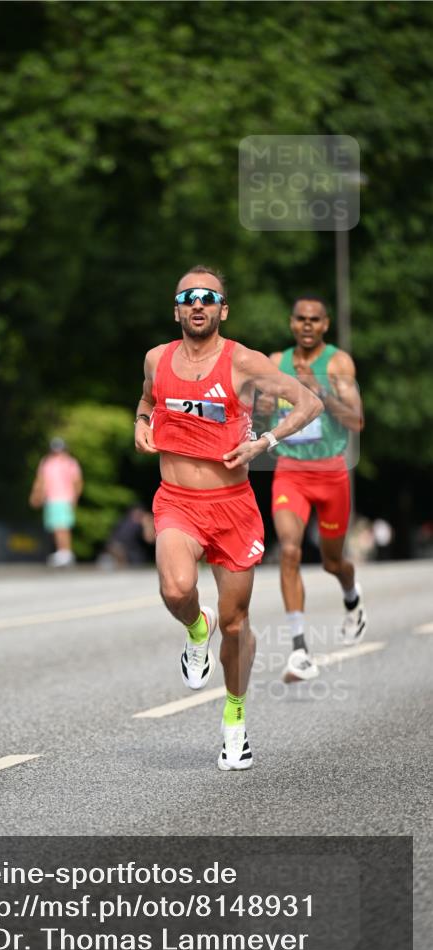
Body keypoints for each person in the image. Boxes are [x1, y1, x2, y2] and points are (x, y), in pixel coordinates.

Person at [135, 265, 322, 770]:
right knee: (175, 589)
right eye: (189, 297)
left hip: (233, 509)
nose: (198, 304)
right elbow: (149, 399)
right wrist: (142, 420)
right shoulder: (157, 360)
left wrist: (265, 441)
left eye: (208, 298)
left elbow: (308, 402)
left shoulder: (244, 362)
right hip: (176, 501)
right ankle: (198, 630)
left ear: (222, 309)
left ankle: (234, 720)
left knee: (237, 625)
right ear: (177, 310)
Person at [255, 295, 366, 683]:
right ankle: (300, 651)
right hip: (291, 472)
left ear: (325, 325)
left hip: (331, 472)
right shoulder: (275, 362)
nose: (306, 325)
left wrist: (321, 393)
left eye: (314, 319)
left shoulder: (337, 363)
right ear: (291, 323)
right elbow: (260, 415)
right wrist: (266, 405)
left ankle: (352, 598)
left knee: (332, 562)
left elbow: (356, 421)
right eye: (300, 318)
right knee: (289, 550)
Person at [29, 438, 83, 567]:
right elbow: (40, 480)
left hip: (64, 497)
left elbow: (78, 482)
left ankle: (65, 552)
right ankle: (62, 551)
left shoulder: (70, 463)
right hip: (50, 498)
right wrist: (36, 495)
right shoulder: (46, 462)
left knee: (62, 526)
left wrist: (75, 497)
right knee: (55, 526)